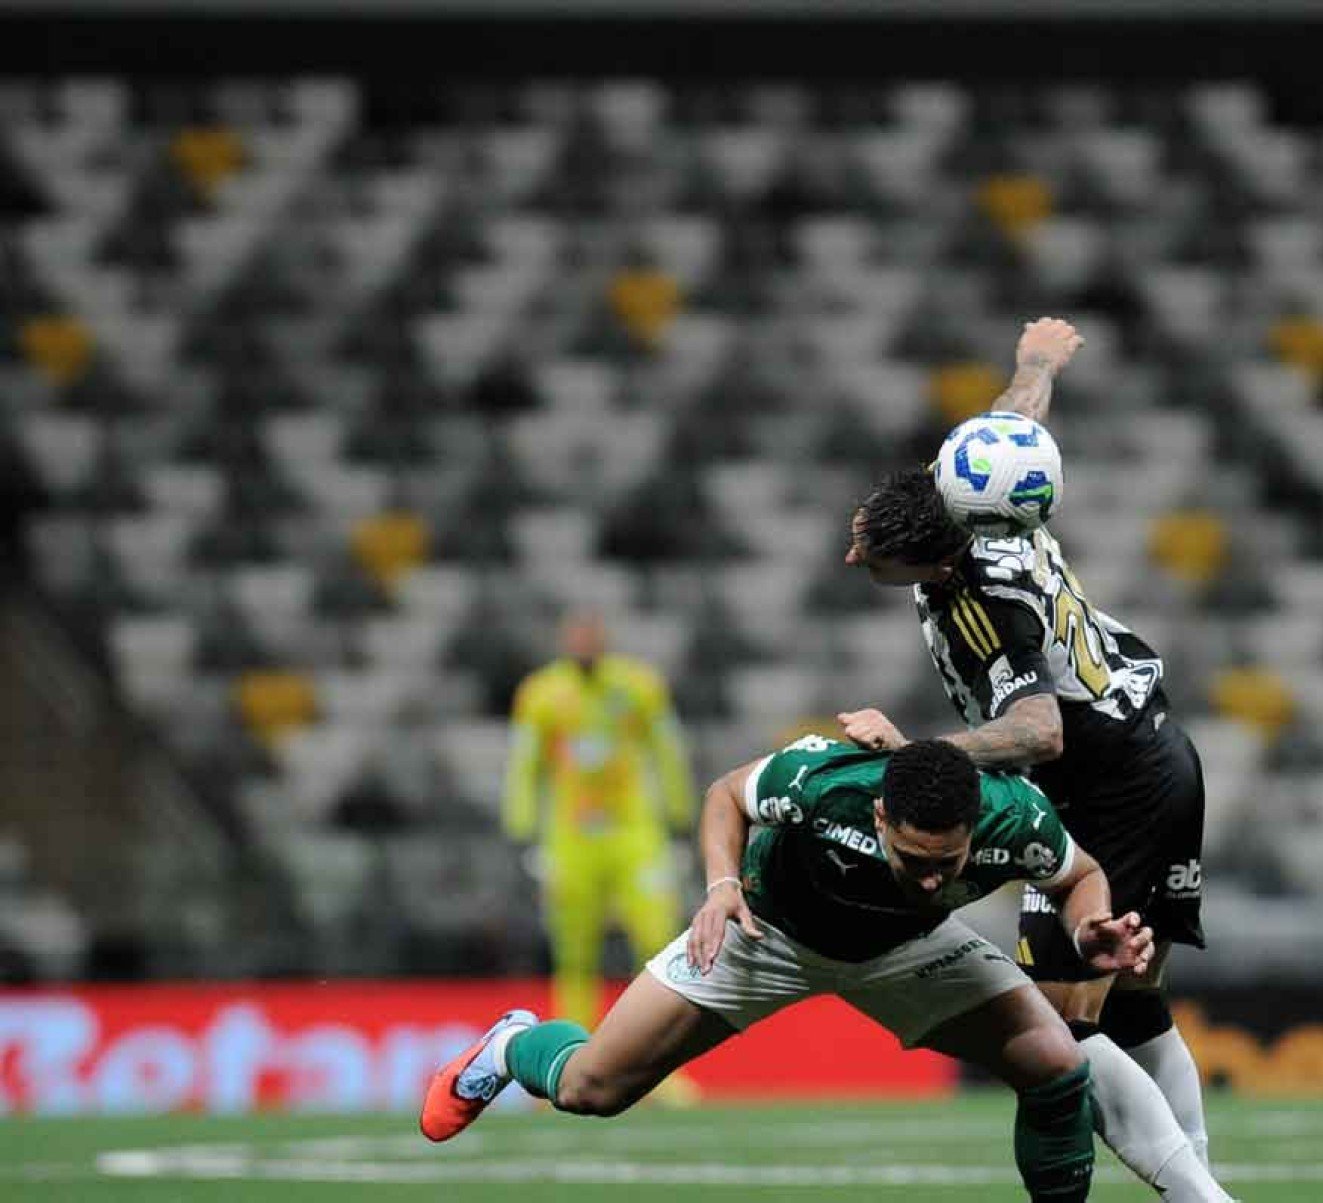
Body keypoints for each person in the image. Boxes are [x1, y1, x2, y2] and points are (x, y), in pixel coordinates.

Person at [422, 738, 1170, 1203]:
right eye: (915, 861)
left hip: (910, 949)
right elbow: (724, 795)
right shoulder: (823, 781)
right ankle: (511, 1047)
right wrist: (720, 887)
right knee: (591, 1089)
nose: (935, 877)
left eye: (950, 862)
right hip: (765, 931)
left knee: (1054, 1063)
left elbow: (1082, 874)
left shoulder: (1016, 815)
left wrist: (1087, 927)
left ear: (976, 825)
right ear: (879, 816)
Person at [842, 317, 1226, 1185]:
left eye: (874, 554)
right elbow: (1008, 433)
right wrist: (1036, 363)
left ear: (926, 562)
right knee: (1132, 998)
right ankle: (1196, 1175)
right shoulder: (983, 497)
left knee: (1059, 1025)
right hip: (1159, 748)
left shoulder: (976, 602)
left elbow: (1039, 727)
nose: (857, 551)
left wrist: (922, 757)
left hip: (1106, 787)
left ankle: (1195, 1188)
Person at [504, 608, 695, 1031]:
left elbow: (667, 751)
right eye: (576, 636)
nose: (583, 644)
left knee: (658, 946)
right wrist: (522, 832)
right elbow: (525, 765)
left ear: (603, 638)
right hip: (571, 840)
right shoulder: (541, 693)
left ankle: (660, 1067)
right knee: (574, 955)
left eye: (590, 635)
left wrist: (680, 819)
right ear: (564, 641)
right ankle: (572, 1057)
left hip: (635, 834)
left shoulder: (639, 686)